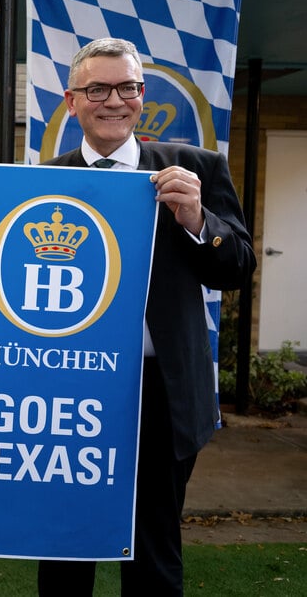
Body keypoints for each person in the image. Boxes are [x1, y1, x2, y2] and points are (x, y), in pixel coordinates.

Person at [36, 37, 256, 595]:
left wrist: (198, 219)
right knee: (63, 546)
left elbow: (236, 267)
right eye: (97, 89)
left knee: (155, 551)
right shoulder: (41, 180)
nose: (115, 100)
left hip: (162, 392)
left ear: (141, 94)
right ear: (72, 100)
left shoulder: (195, 169)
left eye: (128, 88)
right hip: (69, 391)